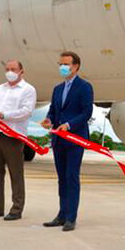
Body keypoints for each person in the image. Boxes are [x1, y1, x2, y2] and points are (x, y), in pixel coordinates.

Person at [40, 52, 94, 231]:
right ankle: (61, 215)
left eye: (66, 64)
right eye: (60, 63)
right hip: (58, 139)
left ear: (76, 66)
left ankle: (71, 217)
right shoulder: (57, 88)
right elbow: (53, 110)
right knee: (61, 178)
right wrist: (49, 120)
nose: (62, 67)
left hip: (74, 138)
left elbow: (86, 113)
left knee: (71, 177)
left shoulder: (84, 87)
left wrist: (69, 125)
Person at [0, 59, 36, 221]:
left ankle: (16, 209)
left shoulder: (28, 90)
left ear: (21, 72)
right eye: (7, 69)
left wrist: (4, 115)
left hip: (13, 136)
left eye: (13, 69)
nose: (10, 72)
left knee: (15, 174)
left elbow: (26, 111)